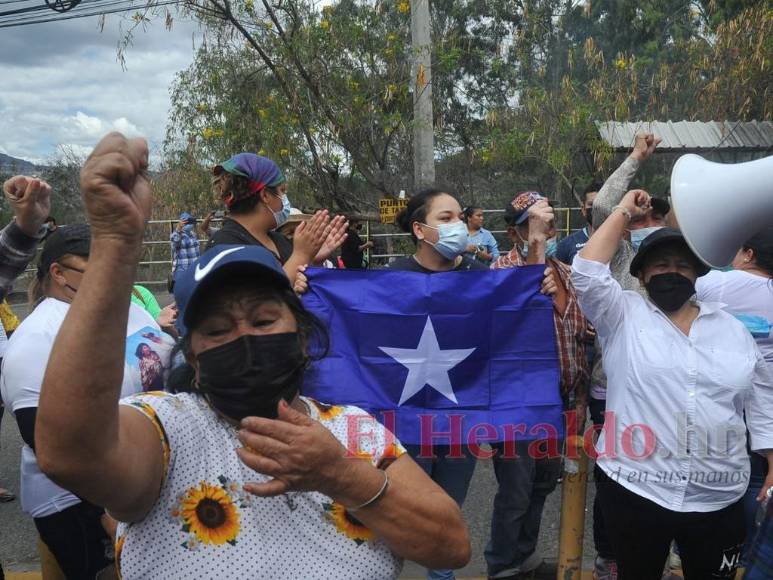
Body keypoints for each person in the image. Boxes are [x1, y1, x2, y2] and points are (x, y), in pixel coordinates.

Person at [34, 132, 471, 578]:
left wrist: (341, 475)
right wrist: (114, 243)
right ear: (193, 359)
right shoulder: (168, 430)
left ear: (302, 336)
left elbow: (451, 546)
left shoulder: (354, 431)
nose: (244, 338)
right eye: (217, 330)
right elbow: (72, 453)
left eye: (263, 321)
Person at [571, 189, 773, 580]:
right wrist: (623, 210)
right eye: (660, 265)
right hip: (636, 489)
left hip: (719, 495)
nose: (672, 273)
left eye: (682, 266)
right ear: (642, 276)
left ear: (697, 275)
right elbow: (586, 272)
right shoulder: (621, 315)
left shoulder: (732, 330)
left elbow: (762, 398)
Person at [0, 222, 172, 578]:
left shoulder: (127, 308)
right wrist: (105, 509)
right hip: (82, 505)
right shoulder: (38, 337)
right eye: (98, 264)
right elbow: (47, 444)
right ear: (59, 273)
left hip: (143, 480)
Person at [384, 188, 486, 580]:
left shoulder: (480, 277)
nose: (458, 225)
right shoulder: (392, 278)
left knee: (448, 508)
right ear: (419, 230)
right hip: (406, 420)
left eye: (459, 216)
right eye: (446, 218)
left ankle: (441, 575)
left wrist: (536, 285)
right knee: (406, 511)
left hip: (463, 418)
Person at [487, 192, 589, 579]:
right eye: (533, 222)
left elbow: (583, 332)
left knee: (543, 483)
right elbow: (507, 325)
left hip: (561, 403)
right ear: (514, 233)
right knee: (515, 490)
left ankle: (524, 556)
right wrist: (532, 267)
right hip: (517, 405)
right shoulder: (501, 270)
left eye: (547, 218)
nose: (545, 226)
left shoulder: (565, 271)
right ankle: (502, 565)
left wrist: (579, 399)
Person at [586, 132, 661, 580]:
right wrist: (635, 159)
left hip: (665, 392)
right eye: (641, 218)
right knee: (614, 476)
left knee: (662, 468)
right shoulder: (621, 262)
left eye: (657, 217)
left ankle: (663, 551)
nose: (651, 223)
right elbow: (601, 208)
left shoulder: (685, 266)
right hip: (610, 390)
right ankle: (608, 554)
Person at [695, 227, 773, 564]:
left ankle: (695, 552)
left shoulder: (716, 283)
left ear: (749, 254)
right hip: (766, 404)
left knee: (711, 475)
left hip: (718, 397)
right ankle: (747, 555)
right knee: (756, 480)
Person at [208, 152, 347, 285]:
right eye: (282, 191)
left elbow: (295, 288)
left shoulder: (279, 240)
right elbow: (257, 297)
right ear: (265, 195)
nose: (285, 199)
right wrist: (301, 255)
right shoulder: (224, 247)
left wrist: (312, 260)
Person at [556, 183, 601, 265]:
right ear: (583, 210)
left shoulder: (622, 241)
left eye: (601, 204)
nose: (596, 208)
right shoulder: (567, 245)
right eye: (591, 204)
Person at [169, 211, 201, 283]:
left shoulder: (193, 234)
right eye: (186, 222)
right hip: (182, 270)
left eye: (190, 221)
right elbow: (175, 243)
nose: (189, 224)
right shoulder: (176, 234)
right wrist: (178, 229)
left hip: (194, 270)